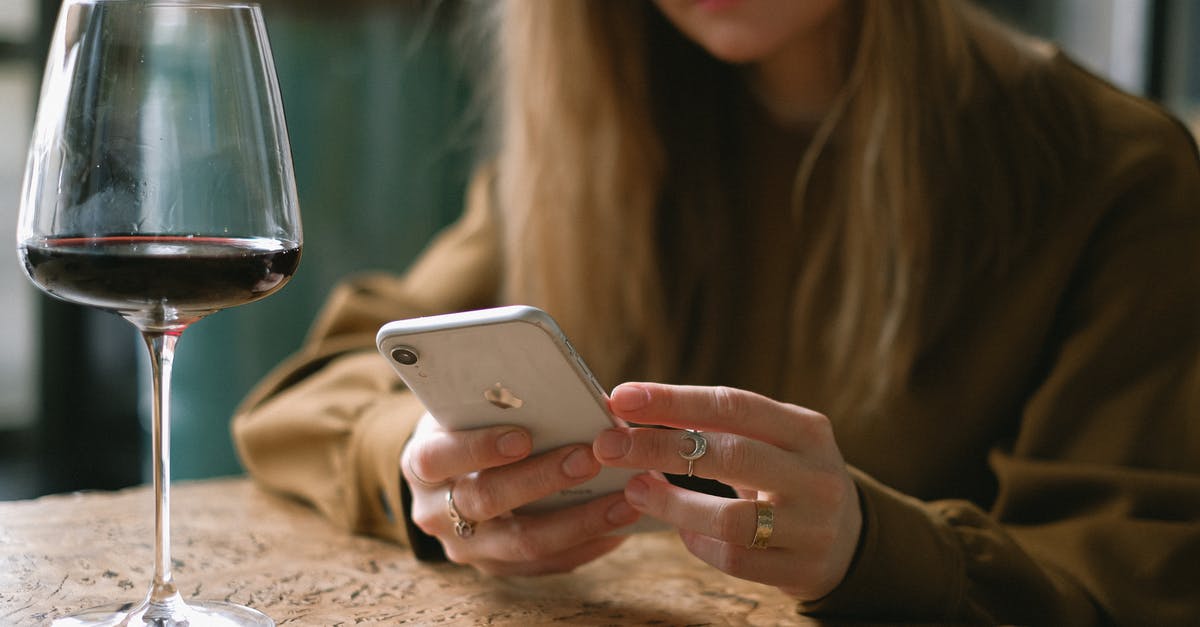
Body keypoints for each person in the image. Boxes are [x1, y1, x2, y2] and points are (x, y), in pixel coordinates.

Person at [232, 0, 1200, 624]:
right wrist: (427, 465)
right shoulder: (601, 139)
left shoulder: (1115, 174)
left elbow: (1132, 584)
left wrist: (874, 548)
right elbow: (318, 387)